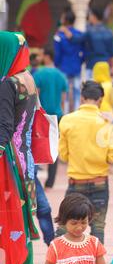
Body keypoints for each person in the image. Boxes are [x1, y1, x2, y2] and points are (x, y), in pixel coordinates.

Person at [0, 31, 39, 264]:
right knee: (21, 228)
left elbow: (3, 127)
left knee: (7, 229)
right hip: (27, 163)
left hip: (8, 165)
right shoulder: (28, 79)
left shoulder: (7, 85)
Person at [58, 81, 113, 243]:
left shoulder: (67, 120)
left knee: (65, 225)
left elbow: (63, 156)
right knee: (98, 227)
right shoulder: (107, 123)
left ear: (82, 98)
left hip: (75, 183)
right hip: (100, 183)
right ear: (100, 100)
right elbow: (112, 158)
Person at [34, 48, 68, 189]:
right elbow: (64, 97)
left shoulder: (39, 74)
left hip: (43, 116)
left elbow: (36, 94)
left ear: (47, 56)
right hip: (57, 115)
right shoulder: (61, 75)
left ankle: (34, 179)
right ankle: (50, 182)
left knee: (36, 145)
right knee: (54, 148)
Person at [61, 7, 113, 80]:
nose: (89, 17)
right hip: (105, 66)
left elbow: (75, 39)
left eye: (90, 15)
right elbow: (112, 53)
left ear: (94, 16)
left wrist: (65, 30)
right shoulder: (109, 32)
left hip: (92, 66)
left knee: (91, 88)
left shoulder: (90, 31)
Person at [54, 8, 84, 112]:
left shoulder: (59, 36)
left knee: (64, 93)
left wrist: (56, 64)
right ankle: (76, 112)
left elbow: (57, 54)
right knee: (77, 92)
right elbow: (83, 51)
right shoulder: (79, 34)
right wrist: (80, 62)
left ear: (65, 20)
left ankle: (65, 113)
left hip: (63, 67)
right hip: (76, 66)